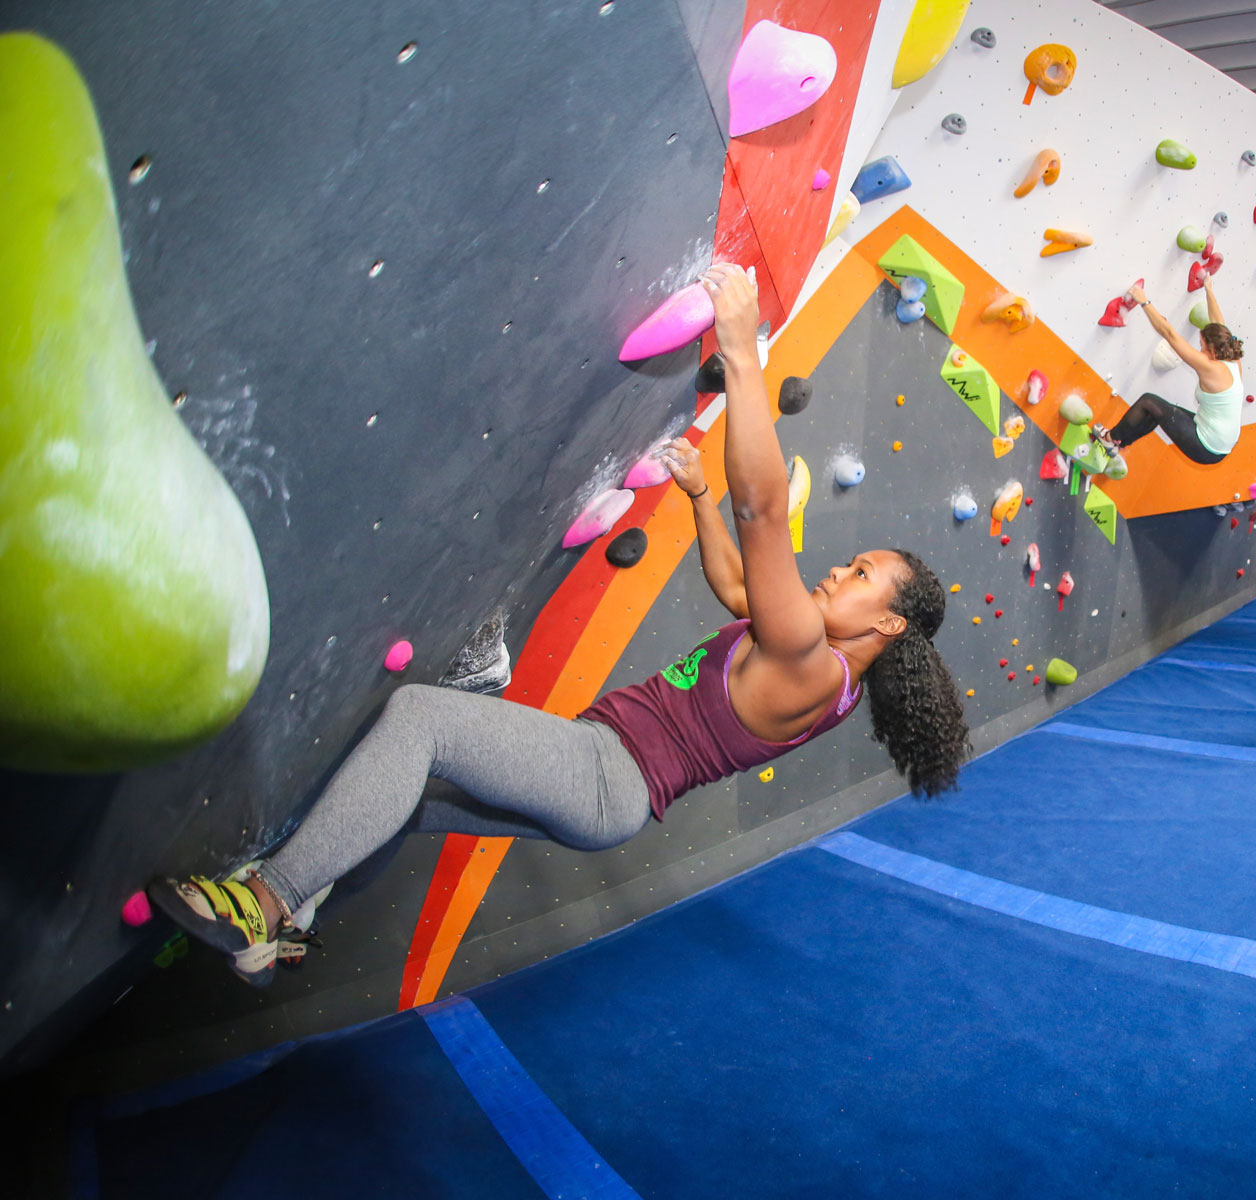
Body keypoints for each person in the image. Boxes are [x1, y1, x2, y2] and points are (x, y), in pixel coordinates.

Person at [150, 265, 970, 985]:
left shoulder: (813, 663)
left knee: (419, 719)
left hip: (607, 773)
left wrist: (745, 352)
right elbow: (733, 583)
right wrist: (695, 499)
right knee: (394, 801)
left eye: (862, 575)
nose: (839, 571)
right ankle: (290, 935)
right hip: (608, 788)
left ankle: (265, 903)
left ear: (890, 624)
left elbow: (763, 511)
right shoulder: (812, 662)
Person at [1090, 274, 1246, 466]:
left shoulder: (1210, 368)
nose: (1200, 350)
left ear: (1213, 351)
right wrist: (1208, 289)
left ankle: (1108, 439)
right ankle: (1117, 443)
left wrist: (1143, 301)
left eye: (1202, 345)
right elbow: (1220, 325)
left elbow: (1169, 334)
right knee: (1157, 412)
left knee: (1148, 402)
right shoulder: (1232, 358)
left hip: (1207, 448)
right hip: (1220, 439)